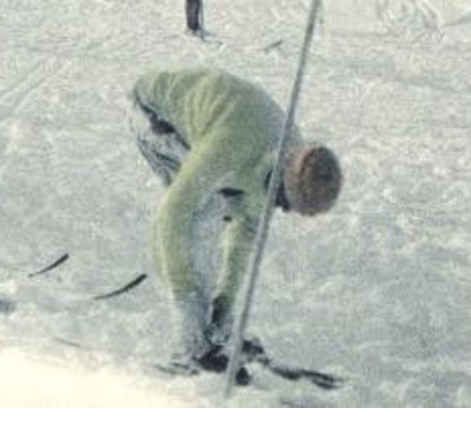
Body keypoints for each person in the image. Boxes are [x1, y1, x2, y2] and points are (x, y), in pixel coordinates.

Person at [131, 68, 342, 372]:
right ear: (282, 182)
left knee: (217, 210)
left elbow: (248, 226)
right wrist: (185, 299)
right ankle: (188, 344)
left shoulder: (290, 158)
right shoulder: (230, 147)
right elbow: (174, 214)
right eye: (284, 201)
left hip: (223, 128)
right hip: (153, 115)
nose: (281, 209)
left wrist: (226, 302)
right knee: (199, 220)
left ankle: (212, 330)